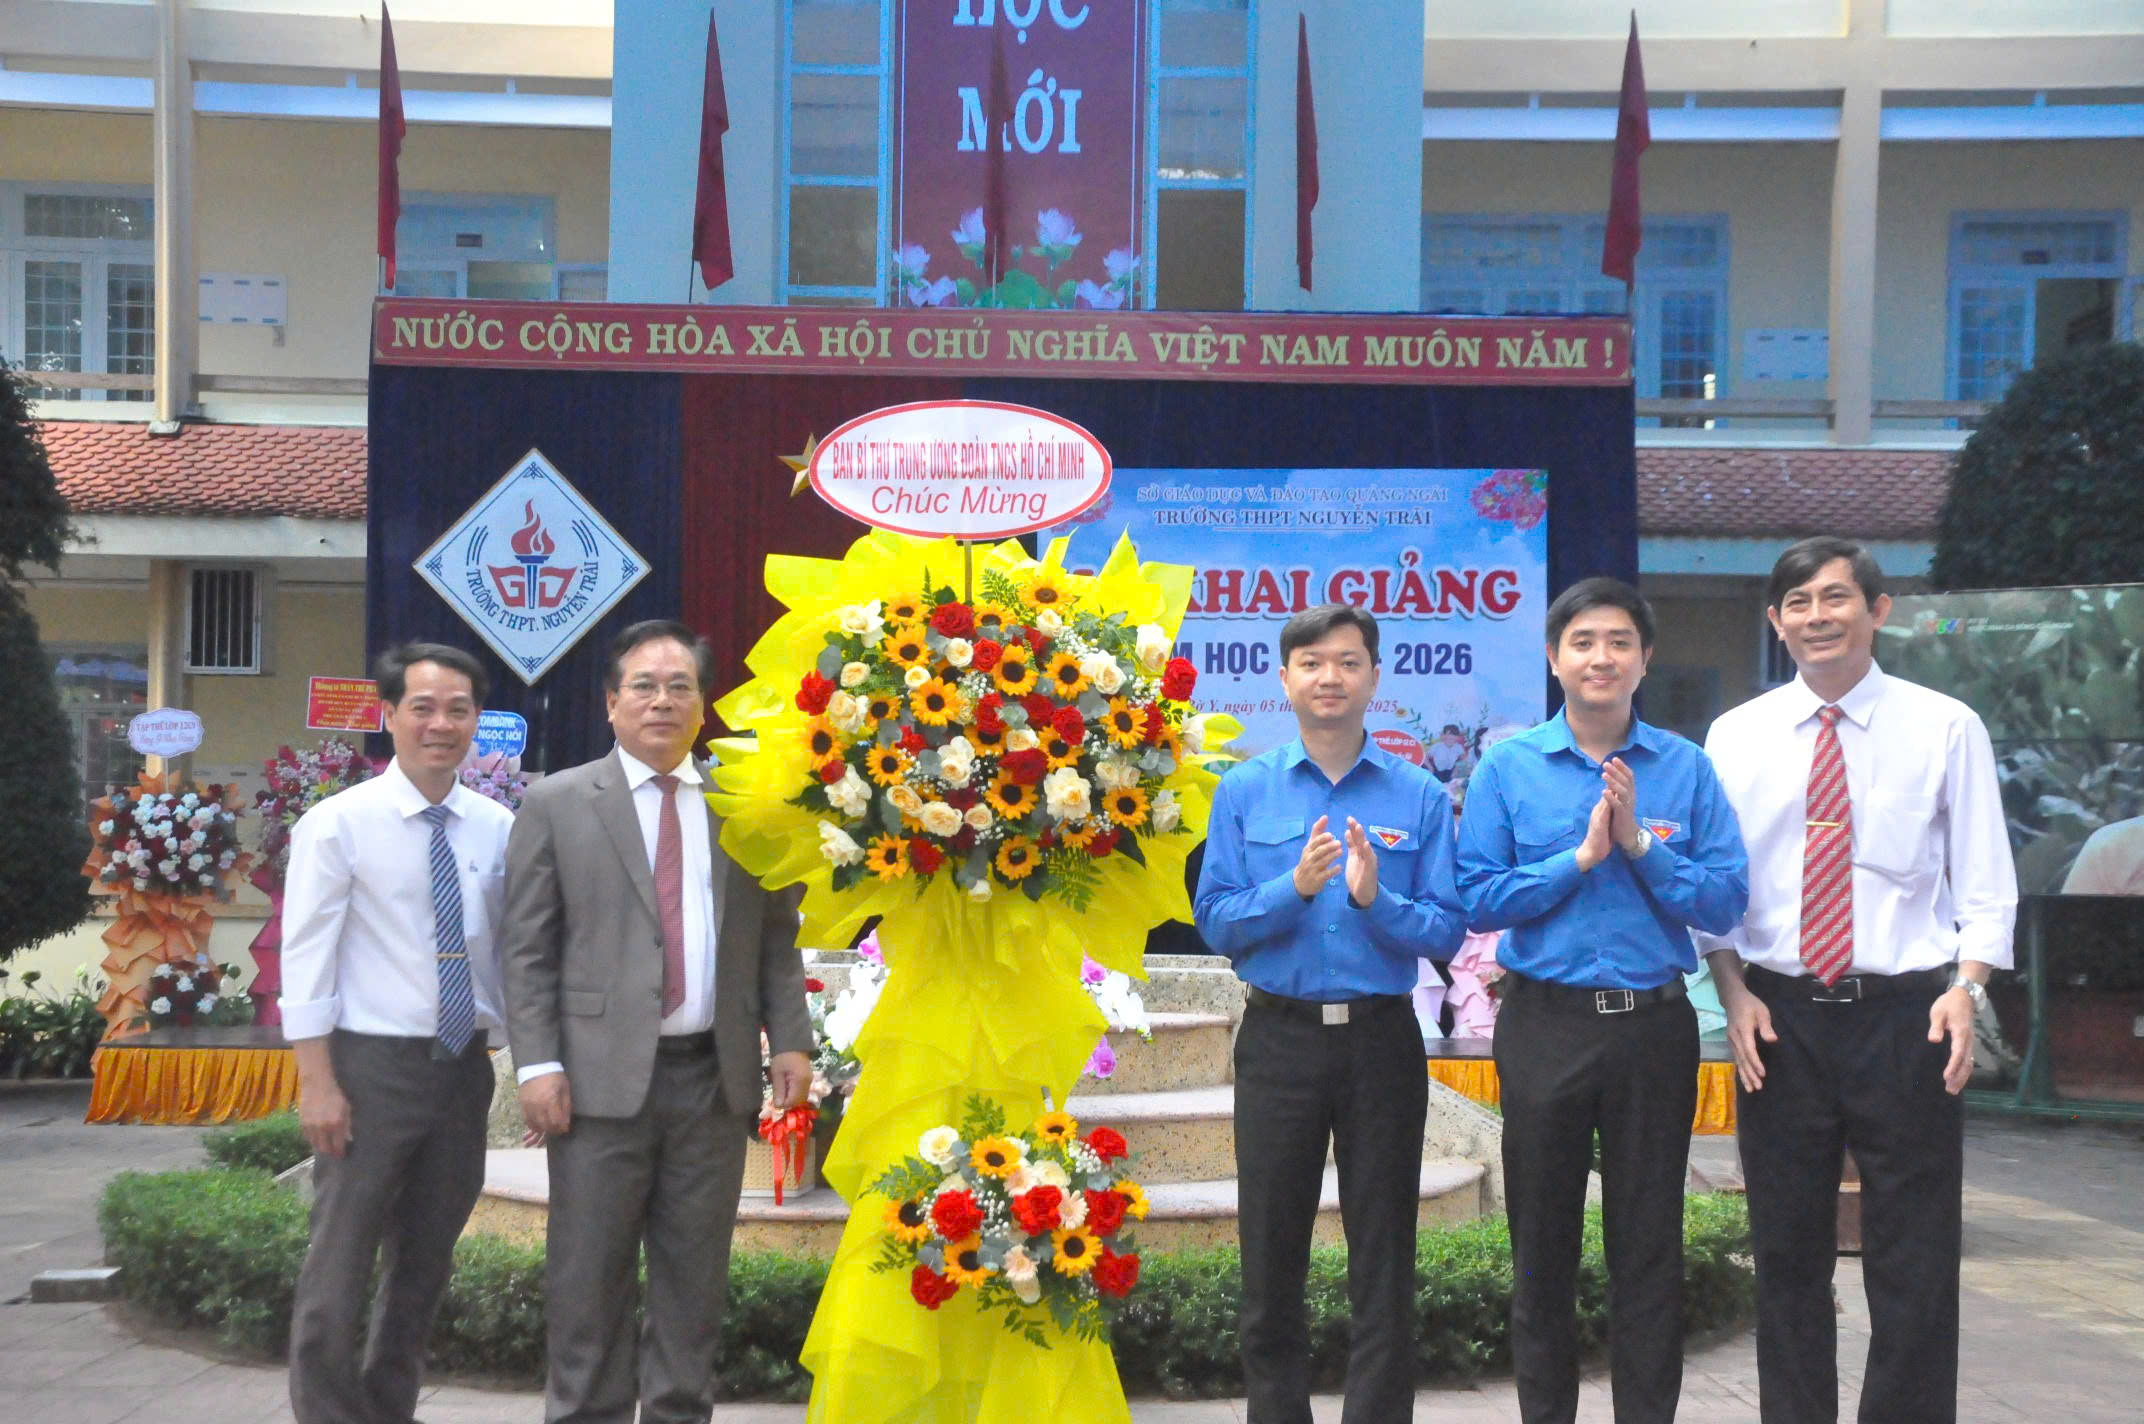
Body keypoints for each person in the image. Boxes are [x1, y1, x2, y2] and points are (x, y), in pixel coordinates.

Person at [1697, 537, 2017, 1424]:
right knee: (1786, 1252)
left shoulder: (1945, 726)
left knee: (1915, 1254)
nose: (1817, 618)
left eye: (1835, 598)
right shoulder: (1736, 736)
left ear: (1877, 610)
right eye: (1798, 604)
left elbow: (1986, 883)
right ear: (1776, 622)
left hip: (1908, 1016)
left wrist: (1968, 989)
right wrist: (1732, 992)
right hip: (1777, 1019)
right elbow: (1717, 891)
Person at [500, 619, 814, 1424]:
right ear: (611, 703)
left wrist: (791, 1039)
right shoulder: (559, 802)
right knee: (588, 1278)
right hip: (594, 1086)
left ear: (704, 707)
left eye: (680, 687)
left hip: (712, 1081)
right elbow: (526, 948)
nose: (662, 702)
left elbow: (775, 937)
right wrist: (537, 1064)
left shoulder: (742, 809)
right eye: (644, 686)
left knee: (694, 1283)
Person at [1455, 577, 1749, 1424]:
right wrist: (1579, 859)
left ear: (1645, 659)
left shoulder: (1686, 769)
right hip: (1545, 1023)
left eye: (1620, 642)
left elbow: (1725, 900)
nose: (1601, 658)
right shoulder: (1510, 767)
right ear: (1554, 658)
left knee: (1648, 1246)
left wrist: (1641, 844)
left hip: (1653, 1028)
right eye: (1583, 642)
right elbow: (1479, 897)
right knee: (1541, 1247)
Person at [1194, 603, 1466, 1424]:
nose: (1330, 677)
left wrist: (1377, 898)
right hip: (1279, 1039)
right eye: (1312, 663)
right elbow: (1217, 921)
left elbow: (1446, 929)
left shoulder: (1418, 794)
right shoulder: (1245, 788)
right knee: (1271, 1247)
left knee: (1384, 1250)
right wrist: (1295, 888)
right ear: (1284, 680)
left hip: (1382, 1040)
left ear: (1375, 678)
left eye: (1348, 662)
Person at [281, 641, 514, 1424]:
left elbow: (510, 951)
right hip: (369, 1068)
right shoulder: (338, 825)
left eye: (457, 710)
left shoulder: (497, 828)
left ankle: (388, 1410)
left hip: (462, 1068)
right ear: (389, 716)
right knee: (340, 1262)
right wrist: (318, 1082)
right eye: (423, 707)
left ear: (476, 720)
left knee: (423, 1266)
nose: (440, 724)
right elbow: (306, 959)